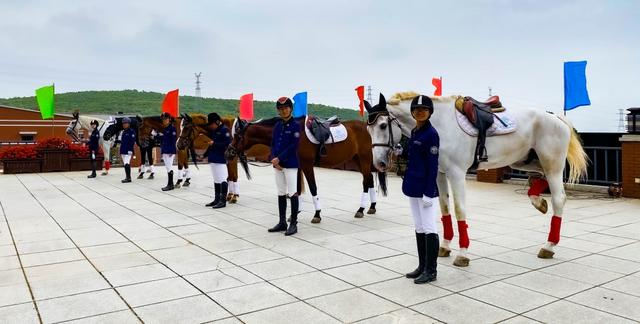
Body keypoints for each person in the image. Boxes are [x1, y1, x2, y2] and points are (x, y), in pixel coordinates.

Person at [398, 94, 440, 284]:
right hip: (413, 186)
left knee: (430, 229)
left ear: (430, 112)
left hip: (425, 189)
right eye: (416, 110)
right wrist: (402, 151)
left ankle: (431, 271)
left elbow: (433, 165)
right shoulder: (415, 131)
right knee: (419, 227)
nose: (420, 112)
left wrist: (429, 192)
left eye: (424, 110)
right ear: (412, 113)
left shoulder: (432, 134)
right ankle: (422, 266)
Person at [268, 97, 301, 236]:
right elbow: (273, 144)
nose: (283, 110)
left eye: (286, 108)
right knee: (281, 192)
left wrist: (279, 159)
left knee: (292, 192)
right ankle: (282, 222)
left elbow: (294, 146)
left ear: (291, 109)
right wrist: (273, 159)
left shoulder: (296, 126)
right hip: (278, 165)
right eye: (281, 109)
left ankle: (293, 223)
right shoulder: (277, 126)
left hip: (291, 164)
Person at [205, 112, 231, 209]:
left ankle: (222, 201)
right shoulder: (214, 131)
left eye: (211, 124)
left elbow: (227, 145)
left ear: (217, 122)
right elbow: (211, 144)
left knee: (223, 179)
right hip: (213, 158)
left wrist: (214, 143)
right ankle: (216, 199)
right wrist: (204, 155)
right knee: (216, 179)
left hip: (221, 159)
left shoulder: (225, 130)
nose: (211, 126)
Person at [158, 112, 177, 191]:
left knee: (169, 167)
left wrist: (172, 151)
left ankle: (171, 184)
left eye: (166, 119)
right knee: (167, 168)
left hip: (169, 151)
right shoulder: (165, 129)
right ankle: (170, 184)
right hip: (165, 150)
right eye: (163, 119)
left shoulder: (172, 128)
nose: (164, 121)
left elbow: (173, 141)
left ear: (169, 119)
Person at [120, 117, 136, 183]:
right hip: (123, 150)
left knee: (126, 163)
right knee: (125, 164)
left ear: (129, 124)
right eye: (123, 123)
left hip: (128, 150)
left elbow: (132, 142)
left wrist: (130, 150)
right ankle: (127, 177)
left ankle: (128, 178)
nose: (124, 124)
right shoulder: (123, 132)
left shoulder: (131, 131)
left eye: (126, 123)